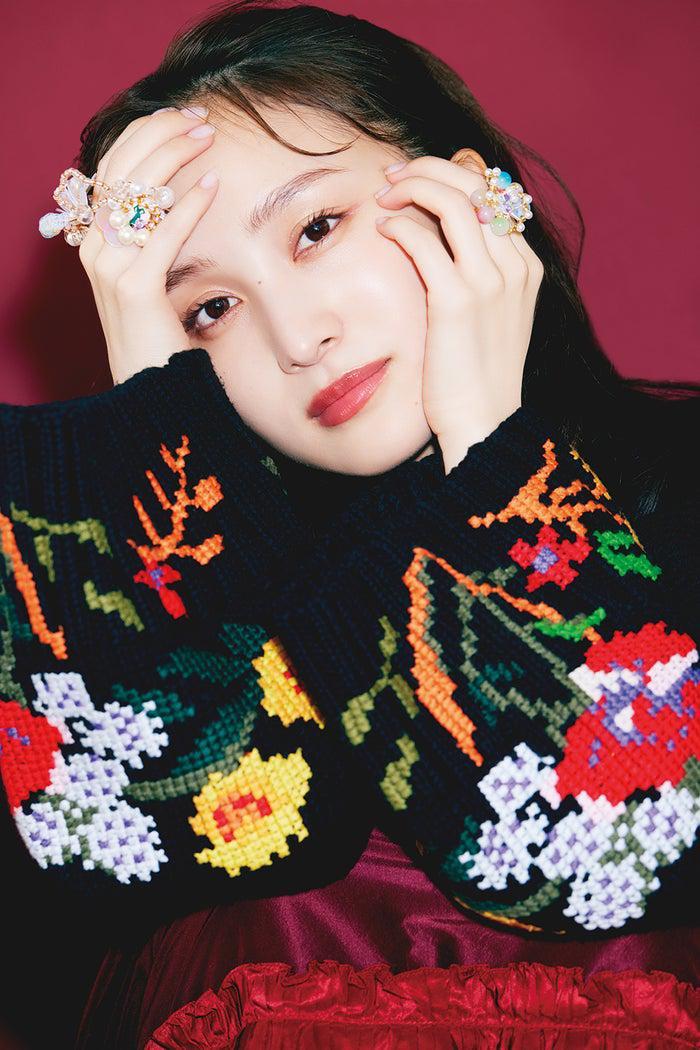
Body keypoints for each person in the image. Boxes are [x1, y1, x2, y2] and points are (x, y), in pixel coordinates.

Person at [2, 2, 698, 1047]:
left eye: (316, 229)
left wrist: (488, 443)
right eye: (207, 309)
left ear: (464, 194)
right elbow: (121, 856)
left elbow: (625, 849)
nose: (296, 336)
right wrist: (154, 414)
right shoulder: (144, 610)